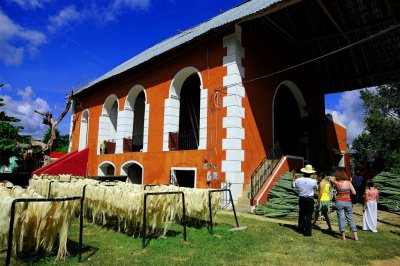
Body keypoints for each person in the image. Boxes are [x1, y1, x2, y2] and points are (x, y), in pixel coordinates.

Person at [330, 169, 359, 241]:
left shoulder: (337, 182)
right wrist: (348, 193)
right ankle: (355, 236)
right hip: (348, 201)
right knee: (350, 218)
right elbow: (354, 192)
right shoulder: (349, 182)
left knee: (341, 218)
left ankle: (343, 236)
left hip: (339, 201)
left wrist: (336, 178)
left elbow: (330, 178)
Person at [292, 164, 318, 236]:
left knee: (301, 214)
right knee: (309, 215)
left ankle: (300, 229)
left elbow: (293, 186)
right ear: (311, 173)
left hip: (302, 199)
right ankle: (307, 232)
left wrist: (293, 175)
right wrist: (314, 175)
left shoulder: (298, 180)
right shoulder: (313, 181)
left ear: (303, 172)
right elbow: (317, 188)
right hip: (309, 199)